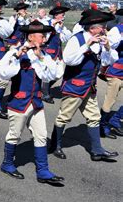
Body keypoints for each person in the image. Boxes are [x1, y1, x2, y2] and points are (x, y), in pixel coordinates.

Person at [0, 20, 65, 184]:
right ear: (31, 37)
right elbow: (1, 73)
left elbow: (52, 76)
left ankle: (43, 171)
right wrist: (16, 57)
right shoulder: (16, 52)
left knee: (41, 136)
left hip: (36, 102)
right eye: (42, 36)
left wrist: (42, 58)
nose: (45, 39)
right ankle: (7, 163)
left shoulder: (43, 54)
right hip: (18, 102)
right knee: (14, 135)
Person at [48, 10, 119, 161]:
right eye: (103, 27)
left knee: (94, 117)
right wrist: (86, 45)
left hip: (90, 86)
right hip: (74, 86)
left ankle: (97, 150)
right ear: (93, 28)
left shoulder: (101, 41)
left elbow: (109, 61)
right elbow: (69, 60)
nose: (105, 29)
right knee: (64, 117)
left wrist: (107, 47)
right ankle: (55, 145)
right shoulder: (77, 39)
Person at [41, 5, 72, 104]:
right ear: (56, 15)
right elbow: (44, 37)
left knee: (59, 73)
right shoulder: (47, 23)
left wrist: (62, 28)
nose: (64, 16)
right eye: (62, 14)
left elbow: (66, 38)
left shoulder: (62, 25)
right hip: (49, 52)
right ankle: (45, 94)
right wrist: (52, 26)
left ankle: (44, 88)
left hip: (58, 52)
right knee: (47, 73)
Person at [100, 9, 123, 138]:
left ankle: (115, 119)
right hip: (116, 71)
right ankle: (103, 127)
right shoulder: (116, 30)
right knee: (110, 101)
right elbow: (110, 46)